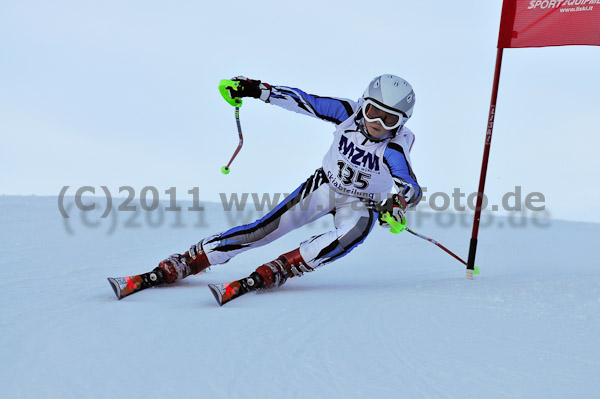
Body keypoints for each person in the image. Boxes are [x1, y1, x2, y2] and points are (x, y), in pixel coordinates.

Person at [109, 74, 422, 303]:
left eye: (389, 118)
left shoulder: (394, 149)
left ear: (401, 122)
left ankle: (286, 266)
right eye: (372, 112)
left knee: (353, 233)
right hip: (325, 185)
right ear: (362, 105)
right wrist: (255, 89)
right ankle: (192, 259)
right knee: (263, 230)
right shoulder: (345, 112)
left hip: (362, 202)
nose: (377, 123)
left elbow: (410, 185)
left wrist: (396, 205)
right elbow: (303, 101)